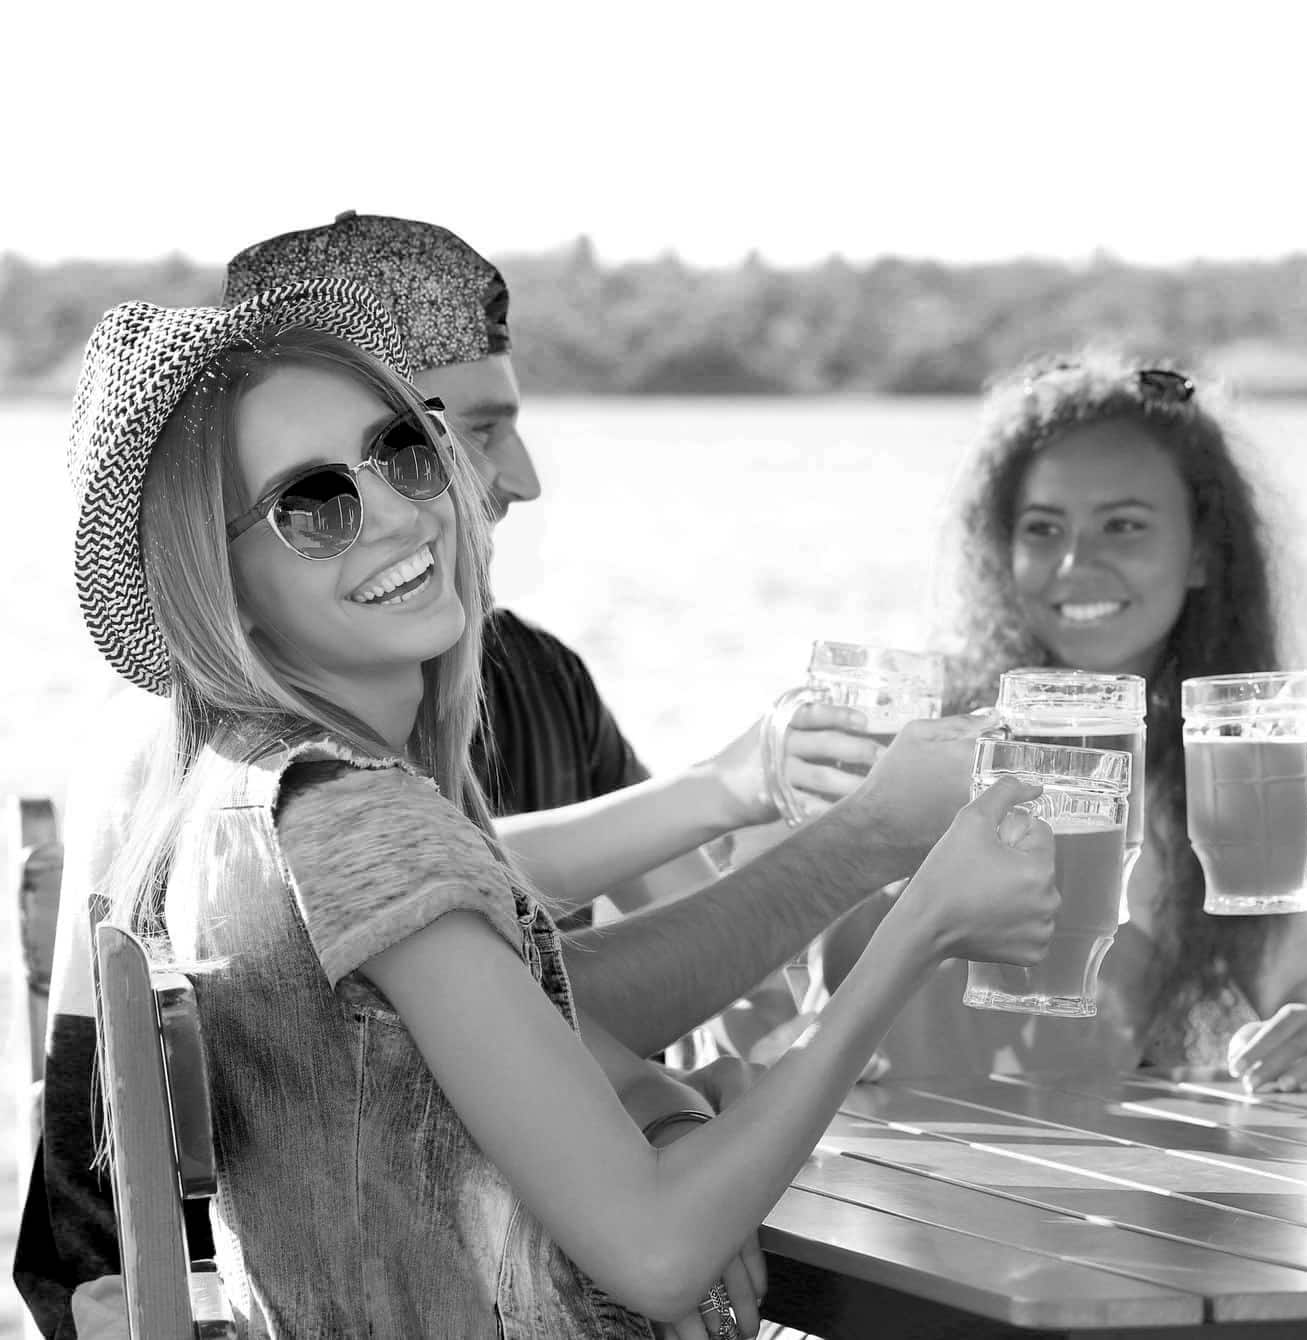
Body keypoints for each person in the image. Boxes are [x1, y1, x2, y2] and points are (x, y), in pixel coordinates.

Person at [16, 217, 966, 1334]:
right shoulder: (345, 810)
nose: (412, 506)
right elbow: (658, 1251)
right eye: (313, 504)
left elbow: (519, 1002)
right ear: (213, 579)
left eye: (406, 449)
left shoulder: (241, 782)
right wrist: (923, 924)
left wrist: (660, 1099)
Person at [817, 355, 1307, 1091]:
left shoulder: (1222, 774)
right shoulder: (926, 746)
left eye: (1123, 526)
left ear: (1202, 550)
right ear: (1000, 548)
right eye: (1042, 528)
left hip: (1104, 1183)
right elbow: (818, 977)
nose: (1075, 561)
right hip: (881, 1171)